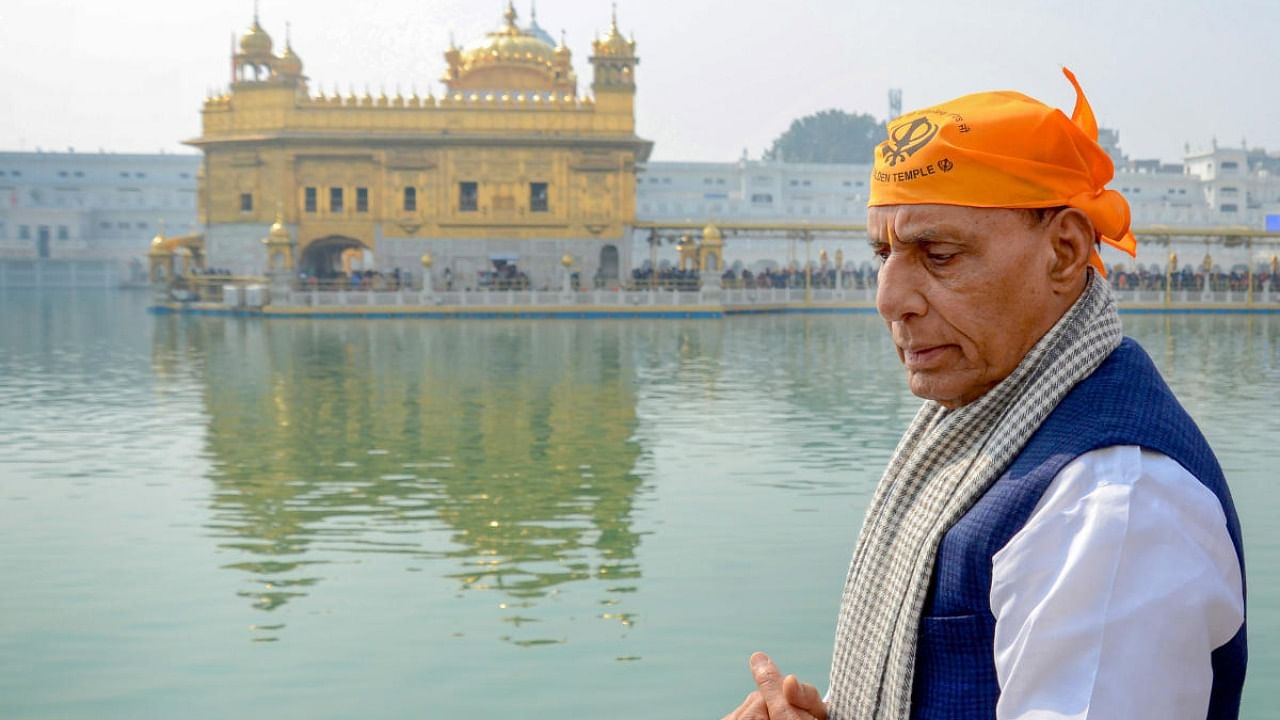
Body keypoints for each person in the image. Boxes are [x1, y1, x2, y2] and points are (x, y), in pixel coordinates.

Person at [723, 69, 1246, 720]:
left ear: (1063, 252)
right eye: (882, 254)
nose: (888, 297)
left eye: (937, 253)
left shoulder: (1112, 509)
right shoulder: (993, 425)